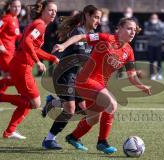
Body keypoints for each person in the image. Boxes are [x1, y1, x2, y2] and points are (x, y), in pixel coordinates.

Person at [52, 17, 151, 153]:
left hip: (98, 85)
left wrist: (142, 86)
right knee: (112, 104)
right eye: (129, 28)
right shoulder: (106, 38)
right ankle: (102, 142)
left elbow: (132, 76)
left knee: (93, 119)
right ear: (119, 28)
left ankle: (73, 137)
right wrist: (63, 46)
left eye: (135, 30)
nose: (132, 32)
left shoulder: (129, 51)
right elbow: (81, 36)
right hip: (85, 80)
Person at [0, 0, 59, 139]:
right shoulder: (40, 25)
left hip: (19, 64)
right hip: (22, 66)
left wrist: (51, 58)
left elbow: (33, 46)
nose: (54, 13)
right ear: (43, 10)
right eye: (51, 10)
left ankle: (9, 131)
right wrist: (38, 61)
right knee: (35, 103)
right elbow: (28, 41)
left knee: (26, 101)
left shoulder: (38, 24)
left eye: (55, 11)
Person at [41, 5, 102, 150]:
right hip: (64, 74)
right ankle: (49, 140)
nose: (98, 21)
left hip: (76, 77)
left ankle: (53, 102)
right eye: (96, 17)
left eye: (100, 18)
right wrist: (63, 45)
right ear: (87, 15)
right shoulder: (78, 31)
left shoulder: (92, 34)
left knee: (84, 111)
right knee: (70, 109)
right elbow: (76, 38)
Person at [0, 0, 22, 111]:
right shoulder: (6, 18)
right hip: (3, 52)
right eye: (15, 6)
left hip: (10, 53)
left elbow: (18, 35)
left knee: (7, 78)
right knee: (12, 77)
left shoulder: (15, 19)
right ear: (10, 7)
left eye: (19, 6)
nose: (17, 8)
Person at [143, 13, 164, 80]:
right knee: (151, 60)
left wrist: (151, 34)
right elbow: (146, 33)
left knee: (159, 60)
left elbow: (160, 35)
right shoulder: (147, 24)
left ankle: (159, 74)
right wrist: (154, 33)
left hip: (158, 45)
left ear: (157, 18)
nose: (154, 19)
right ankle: (152, 74)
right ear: (150, 18)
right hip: (150, 45)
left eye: (155, 18)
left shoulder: (161, 25)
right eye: (152, 18)